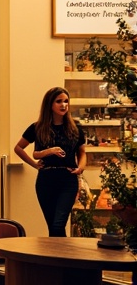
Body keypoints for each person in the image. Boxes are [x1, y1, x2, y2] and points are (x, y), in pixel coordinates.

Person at [14, 86, 86, 237]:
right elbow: (19, 148)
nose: (63, 105)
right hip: (46, 180)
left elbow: (82, 153)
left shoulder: (75, 128)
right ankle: (58, 259)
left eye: (66, 101)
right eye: (59, 101)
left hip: (68, 180)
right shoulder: (38, 127)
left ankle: (60, 259)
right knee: (52, 226)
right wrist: (35, 163)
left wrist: (80, 168)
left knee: (58, 224)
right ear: (50, 104)